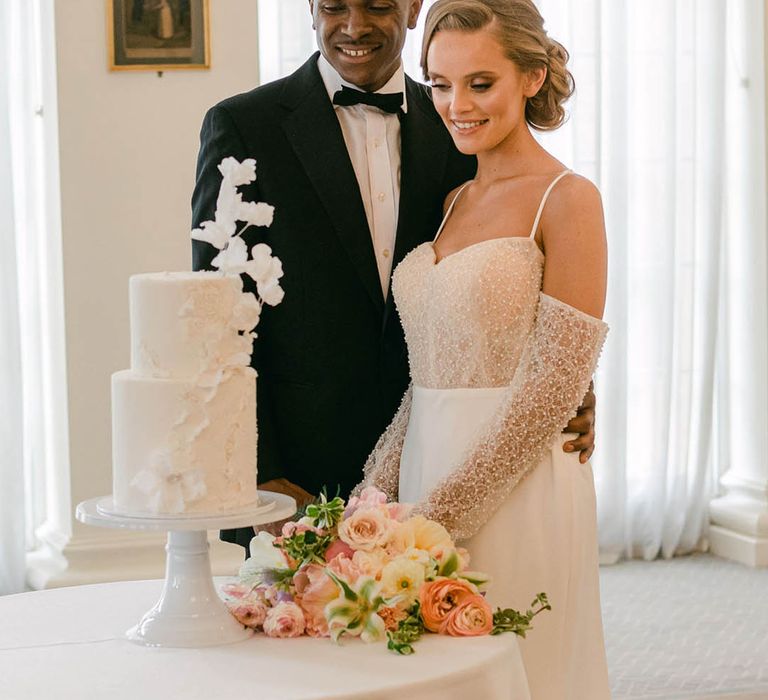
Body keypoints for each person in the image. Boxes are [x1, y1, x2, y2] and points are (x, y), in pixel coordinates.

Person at [191, 0, 596, 553]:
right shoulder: (244, 126)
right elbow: (221, 315)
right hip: (297, 471)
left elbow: (513, 280)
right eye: (334, 5)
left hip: (449, 466)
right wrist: (255, 473)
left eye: (378, 5)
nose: (354, 25)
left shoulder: (458, 122)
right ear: (311, 8)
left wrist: (570, 386)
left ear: (411, 9)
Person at [357, 1, 610, 696]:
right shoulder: (453, 201)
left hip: (519, 484)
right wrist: (376, 496)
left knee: (520, 667)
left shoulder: (567, 198)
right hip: (426, 474)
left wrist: (442, 520)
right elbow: (428, 376)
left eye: (479, 83)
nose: (454, 105)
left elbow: (554, 387)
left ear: (531, 77)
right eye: (439, 83)